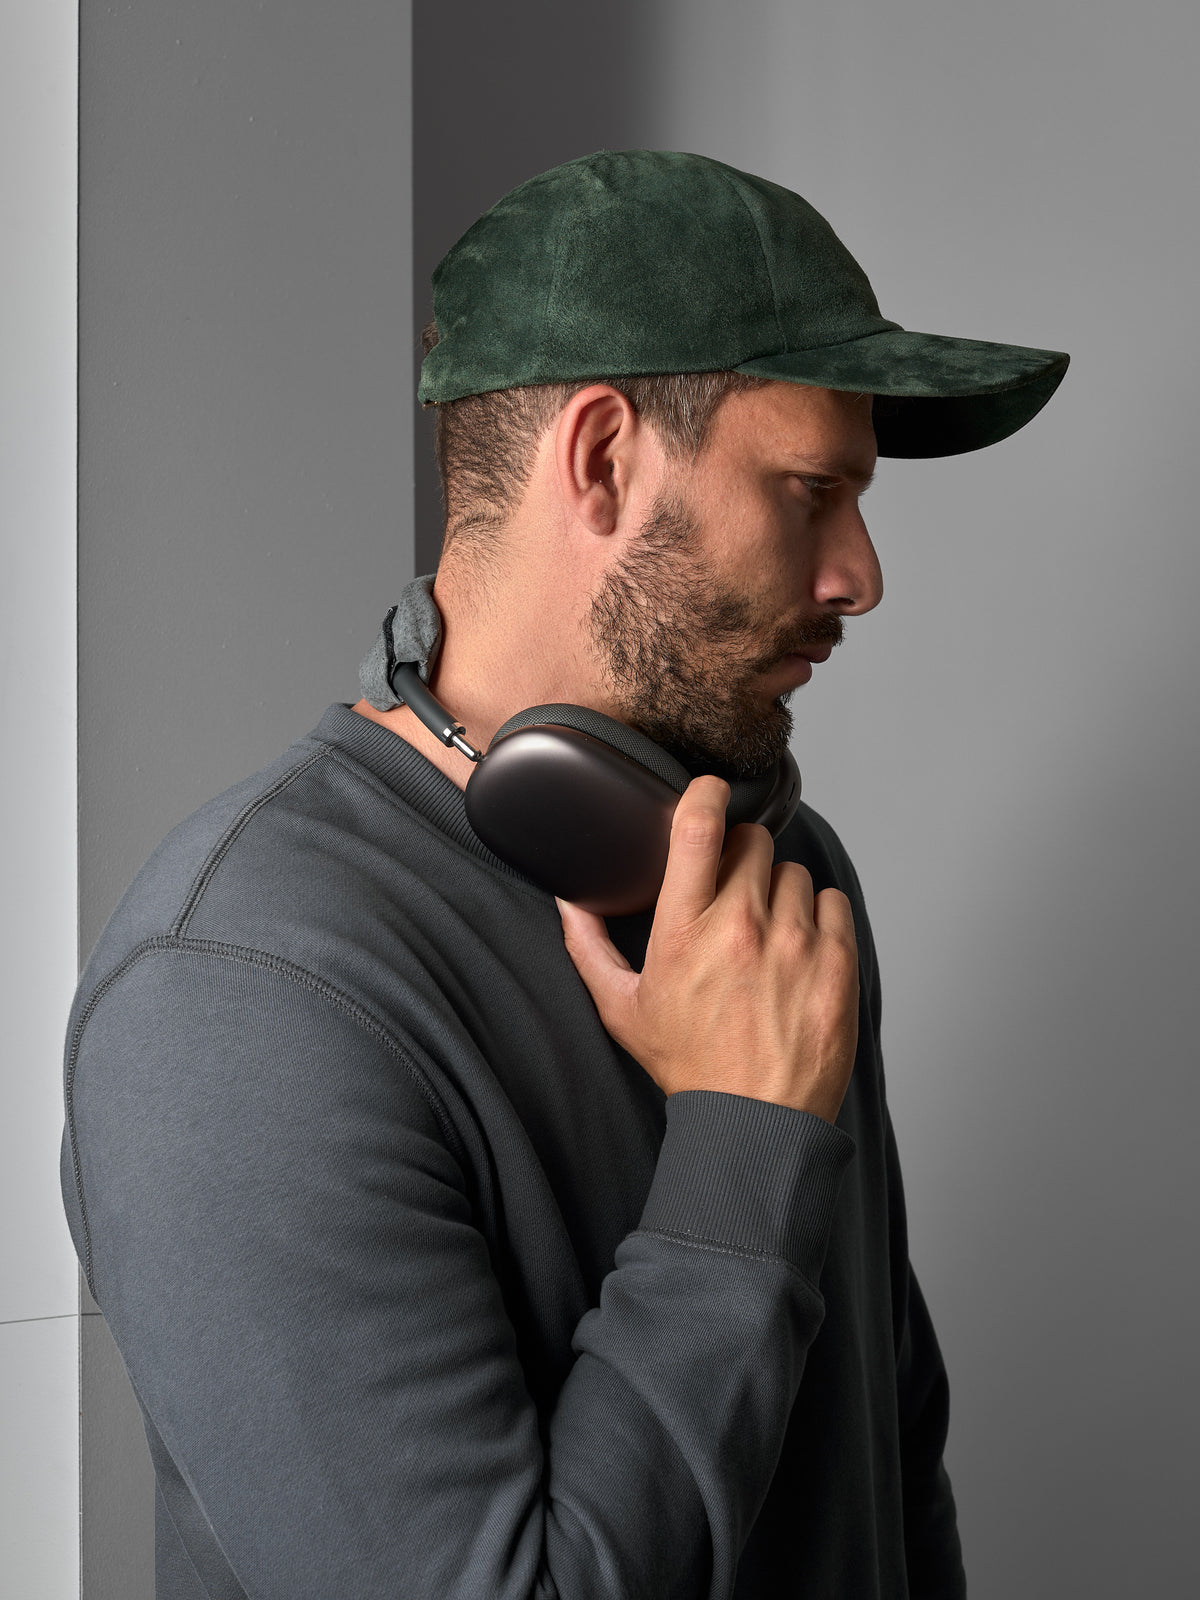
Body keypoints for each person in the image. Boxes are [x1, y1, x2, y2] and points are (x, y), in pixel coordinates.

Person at [60, 149, 1068, 1599]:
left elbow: (885, 1474)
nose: (860, 571)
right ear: (598, 457)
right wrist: (743, 1140)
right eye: (811, 491)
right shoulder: (240, 994)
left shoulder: (771, 871)